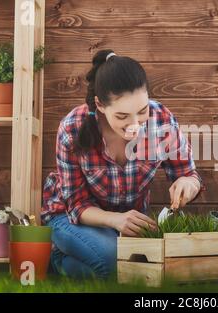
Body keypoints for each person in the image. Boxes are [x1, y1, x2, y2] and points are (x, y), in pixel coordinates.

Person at [41, 49, 203, 279]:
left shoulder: (162, 120)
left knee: (137, 266)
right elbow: (76, 205)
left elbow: (187, 173)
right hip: (70, 218)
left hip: (127, 226)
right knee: (114, 259)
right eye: (122, 116)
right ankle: (60, 254)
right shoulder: (72, 127)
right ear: (100, 104)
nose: (135, 124)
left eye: (142, 111)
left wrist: (188, 183)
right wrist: (115, 220)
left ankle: (65, 262)